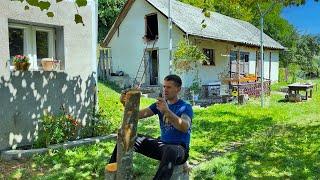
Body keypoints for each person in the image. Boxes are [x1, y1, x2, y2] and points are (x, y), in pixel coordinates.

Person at [109, 74, 193, 180]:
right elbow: (137, 115)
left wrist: (167, 111)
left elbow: (185, 126)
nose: (165, 90)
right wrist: (125, 103)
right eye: (164, 86)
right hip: (162, 146)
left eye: (169, 87)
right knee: (128, 137)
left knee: (171, 150)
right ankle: (113, 172)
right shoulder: (159, 104)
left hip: (180, 150)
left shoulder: (185, 107)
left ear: (178, 89)